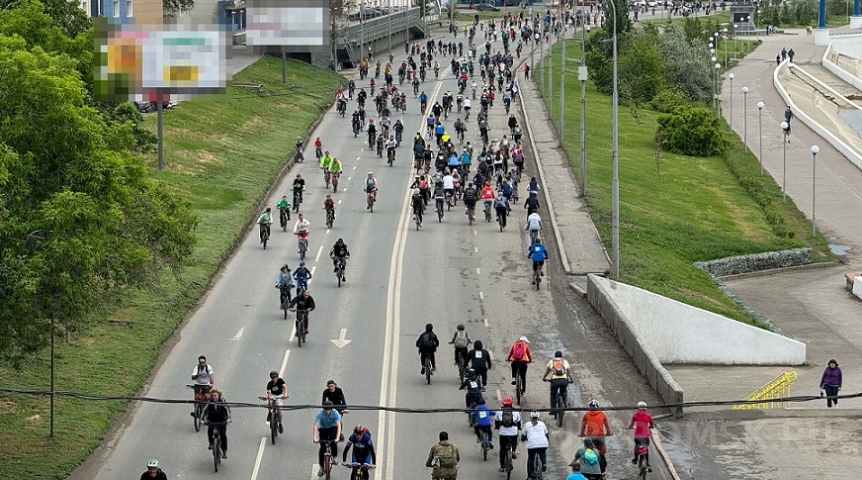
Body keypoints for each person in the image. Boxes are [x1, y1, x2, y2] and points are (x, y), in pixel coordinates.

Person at [580, 400, 611, 474]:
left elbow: (583, 426)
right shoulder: (602, 414)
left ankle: (586, 469)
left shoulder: (586, 414)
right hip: (600, 436)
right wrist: (609, 433)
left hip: (590, 437)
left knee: (586, 451)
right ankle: (603, 471)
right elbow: (607, 426)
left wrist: (581, 434)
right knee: (602, 451)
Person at [313, 400, 343, 477]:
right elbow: (315, 426)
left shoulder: (335, 413)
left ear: (331, 409)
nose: (327, 411)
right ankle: (322, 467)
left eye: (328, 409)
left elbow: (338, 425)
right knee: (322, 448)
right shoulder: (320, 413)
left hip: (332, 427)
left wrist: (337, 437)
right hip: (323, 429)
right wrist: (315, 438)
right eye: (325, 409)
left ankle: (334, 456)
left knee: (333, 441)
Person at [541, 350, 574, 417]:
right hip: (564, 380)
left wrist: (544, 378)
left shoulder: (551, 361)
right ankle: (564, 403)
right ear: (561, 356)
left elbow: (547, 372)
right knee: (564, 391)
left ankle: (553, 410)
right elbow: (569, 373)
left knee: (553, 395)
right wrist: (571, 380)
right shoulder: (564, 361)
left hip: (554, 381)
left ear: (555, 356)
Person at [201, 389, 231, 458]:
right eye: (212, 396)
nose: (214, 397)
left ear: (218, 395)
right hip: (212, 420)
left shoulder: (222, 401)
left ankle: (224, 451)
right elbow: (204, 410)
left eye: (215, 396)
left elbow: (227, 409)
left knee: (223, 436)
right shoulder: (209, 402)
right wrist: (202, 419)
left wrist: (228, 418)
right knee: (210, 432)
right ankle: (211, 443)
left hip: (222, 421)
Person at [494, 396, 521, 472]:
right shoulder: (515, 411)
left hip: (503, 432)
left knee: (502, 449)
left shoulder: (499, 411)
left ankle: (502, 466)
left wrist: (497, 427)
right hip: (513, 432)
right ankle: (513, 451)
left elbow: (496, 421)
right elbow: (518, 422)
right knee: (514, 440)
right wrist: (519, 427)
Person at [626, 401, 654, 469]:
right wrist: (651, 427)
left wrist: (628, 427)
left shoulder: (635, 415)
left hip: (638, 436)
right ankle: (647, 463)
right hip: (645, 436)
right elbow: (651, 424)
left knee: (637, 446)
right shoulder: (648, 416)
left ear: (638, 408)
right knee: (646, 448)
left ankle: (635, 459)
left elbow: (631, 425)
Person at [521, 411, 548, 476]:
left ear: (530, 417)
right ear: (538, 417)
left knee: (531, 458)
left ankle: (530, 476)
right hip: (543, 443)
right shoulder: (542, 424)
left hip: (532, 445)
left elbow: (523, 436)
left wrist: (523, 439)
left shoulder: (527, 424)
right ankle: (544, 463)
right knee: (542, 452)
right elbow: (547, 434)